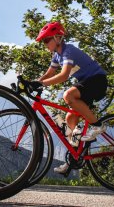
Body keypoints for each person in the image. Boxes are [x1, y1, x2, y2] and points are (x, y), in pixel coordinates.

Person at [30, 21, 107, 175]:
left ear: (58, 37)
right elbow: (48, 74)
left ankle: (98, 125)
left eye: (46, 40)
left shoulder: (68, 51)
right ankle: (74, 158)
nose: (45, 44)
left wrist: (42, 84)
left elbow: (64, 75)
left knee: (68, 95)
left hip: (97, 81)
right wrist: (33, 83)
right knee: (70, 120)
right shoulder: (56, 55)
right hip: (87, 84)